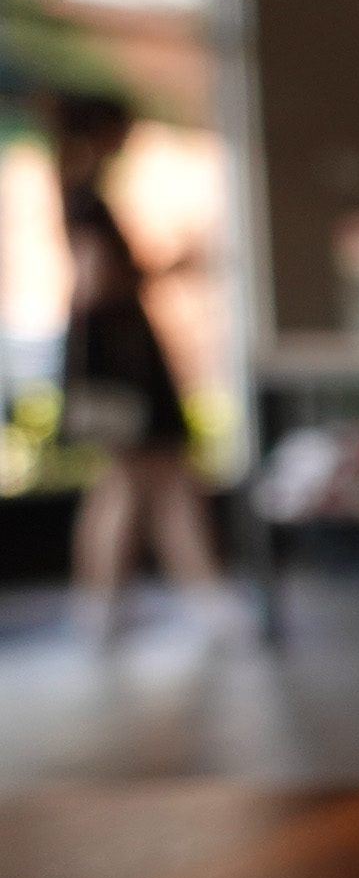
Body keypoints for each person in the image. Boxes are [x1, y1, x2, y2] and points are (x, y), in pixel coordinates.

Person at [53, 93, 224, 641]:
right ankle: (188, 597)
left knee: (139, 481)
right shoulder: (86, 199)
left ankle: (111, 604)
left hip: (114, 358)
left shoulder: (78, 193)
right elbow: (97, 284)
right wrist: (168, 267)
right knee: (147, 480)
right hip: (121, 361)